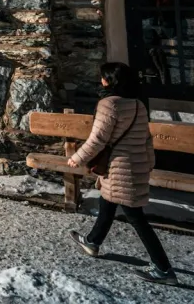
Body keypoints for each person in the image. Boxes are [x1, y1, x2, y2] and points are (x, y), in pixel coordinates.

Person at [67, 62, 177, 286]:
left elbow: (98, 139)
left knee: (135, 217)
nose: (101, 81)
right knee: (107, 201)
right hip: (134, 166)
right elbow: (147, 139)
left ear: (109, 81)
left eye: (103, 77)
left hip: (119, 168)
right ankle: (92, 241)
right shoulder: (138, 105)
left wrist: (77, 158)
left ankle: (164, 269)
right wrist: (148, 163)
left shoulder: (108, 105)